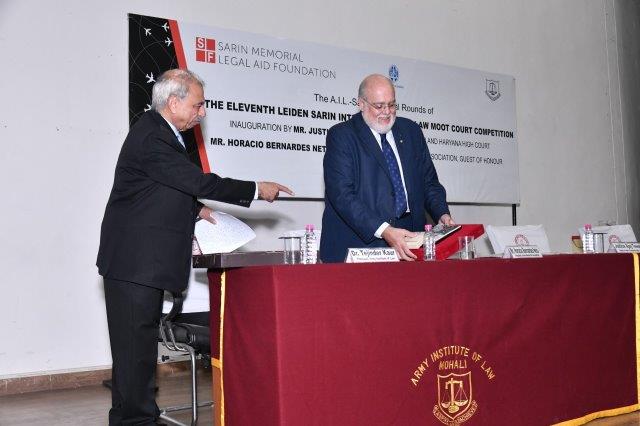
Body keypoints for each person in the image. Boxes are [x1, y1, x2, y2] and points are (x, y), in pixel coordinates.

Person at [97, 69, 293, 425]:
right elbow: (196, 181)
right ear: (174, 103)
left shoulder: (161, 133)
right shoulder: (153, 136)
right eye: (198, 105)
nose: (202, 113)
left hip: (139, 264)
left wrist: (196, 209)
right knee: (134, 355)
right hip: (133, 264)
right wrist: (255, 189)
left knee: (138, 355)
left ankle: (139, 418)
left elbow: (159, 188)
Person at [320, 74, 454, 263]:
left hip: (411, 241)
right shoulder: (342, 136)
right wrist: (384, 230)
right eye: (379, 106)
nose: (387, 112)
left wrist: (442, 213)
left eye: (391, 105)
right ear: (361, 104)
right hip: (363, 243)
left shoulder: (411, 132)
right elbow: (342, 194)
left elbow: (428, 182)